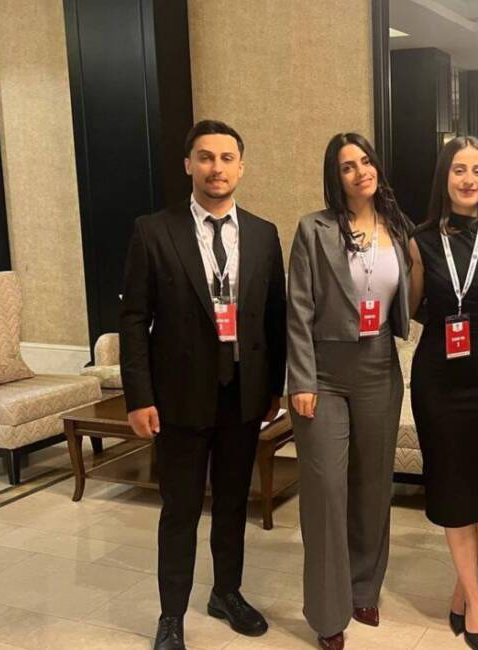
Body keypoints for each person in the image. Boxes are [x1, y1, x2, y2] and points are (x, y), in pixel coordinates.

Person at [119, 119, 287, 650]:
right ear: (188, 164)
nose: (217, 168)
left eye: (227, 158)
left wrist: (274, 388)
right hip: (178, 398)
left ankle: (227, 593)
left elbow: (275, 317)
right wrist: (139, 396)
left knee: (234, 504)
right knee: (181, 510)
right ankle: (171, 616)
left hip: (243, 395)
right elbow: (134, 319)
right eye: (206, 157)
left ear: (242, 167)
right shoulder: (154, 230)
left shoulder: (263, 233)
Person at [287, 132, 414, 650]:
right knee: (325, 491)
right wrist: (300, 379)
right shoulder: (313, 229)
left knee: (373, 486)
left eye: (365, 161)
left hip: (380, 365)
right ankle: (327, 612)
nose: (361, 172)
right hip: (324, 371)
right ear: (335, 178)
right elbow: (298, 308)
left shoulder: (397, 227)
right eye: (347, 166)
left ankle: (364, 588)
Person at [407, 136, 478, 650]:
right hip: (440, 376)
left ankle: (460, 588)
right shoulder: (419, 240)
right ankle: (475, 599)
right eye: (459, 170)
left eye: (477, 170)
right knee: (452, 484)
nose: (469, 179)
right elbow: (412, 306)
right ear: (444, 177)